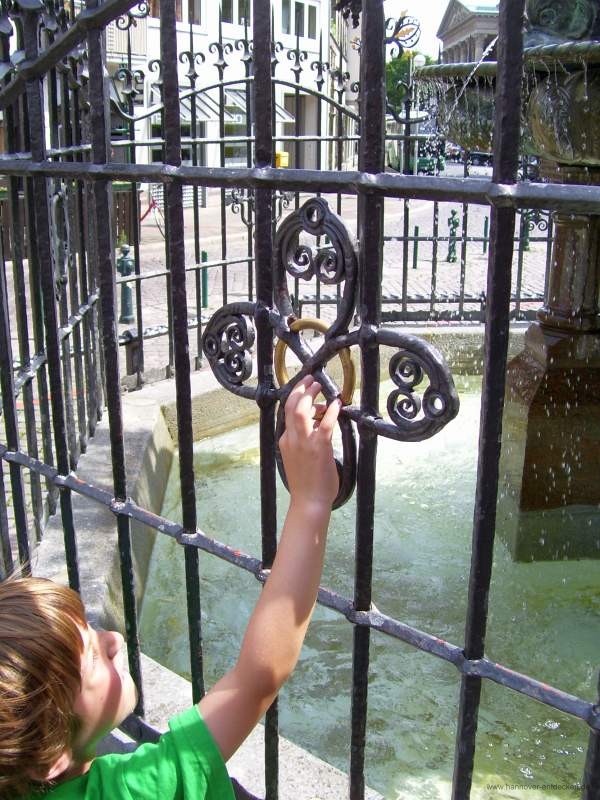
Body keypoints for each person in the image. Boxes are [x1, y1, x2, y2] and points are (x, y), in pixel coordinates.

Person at [0, 376, 341, 800]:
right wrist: (312, 498)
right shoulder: (133, 790)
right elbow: (258, 677)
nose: (113, 638)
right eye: (93, 657)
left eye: (91, 630)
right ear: (48, 758)